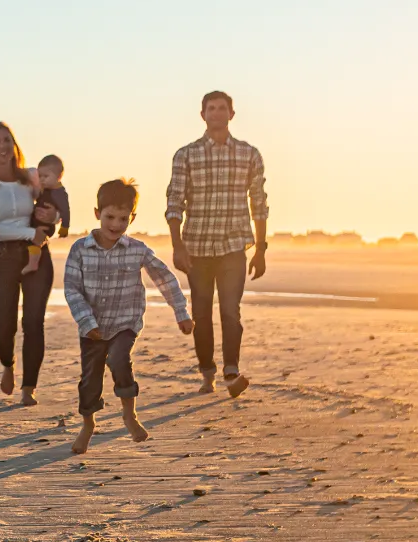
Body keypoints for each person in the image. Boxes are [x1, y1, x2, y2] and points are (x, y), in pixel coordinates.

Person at [64, 179, 193, 454]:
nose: (116, 224)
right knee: (90, 381)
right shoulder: (79, 250)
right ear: (97, 213)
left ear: (131, 218)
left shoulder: (137, 249)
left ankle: (129, 415)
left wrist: (180, 312)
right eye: (110, 217)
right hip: (92, 328)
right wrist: (87, 322)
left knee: (119, 359)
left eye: (123, 219)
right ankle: (88, 424)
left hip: (125, 322)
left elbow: (164, 278)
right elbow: (72, 289)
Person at [165, 90, 268, 398]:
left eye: (223, 108)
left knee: (230, 311)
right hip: (196, 247)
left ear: (231, 114)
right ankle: (207, 372)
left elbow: (259, 203)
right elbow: (174, 202)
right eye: (211, 108)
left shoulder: (249, 154)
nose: (217, 113)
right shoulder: (186, 154)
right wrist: (177, 245)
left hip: (234, 245)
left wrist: (261, 249)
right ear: (203, 115)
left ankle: (231, 369)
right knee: (201, 311)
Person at [0, 121, 59, 405]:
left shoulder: (31, 176)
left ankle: (28, 388)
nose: (2, 147)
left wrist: (52, 218)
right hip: (3, 257)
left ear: (14, 145)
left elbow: (52, 205)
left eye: (6, 140)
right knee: (2, 327)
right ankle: (8, 364)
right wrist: (28, 231)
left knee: (34, 322)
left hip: (36, 253)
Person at [21, 154, 70, 275]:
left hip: (46, 225)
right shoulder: (45, 189)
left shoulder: (60, 193)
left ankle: (33, 263)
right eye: (40, 176)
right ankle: (32, 262)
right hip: (38, 220)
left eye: (46, 176)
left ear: (59, 176)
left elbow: (65, 211)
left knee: (35, 241)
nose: (42, 179)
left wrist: (64, 227)